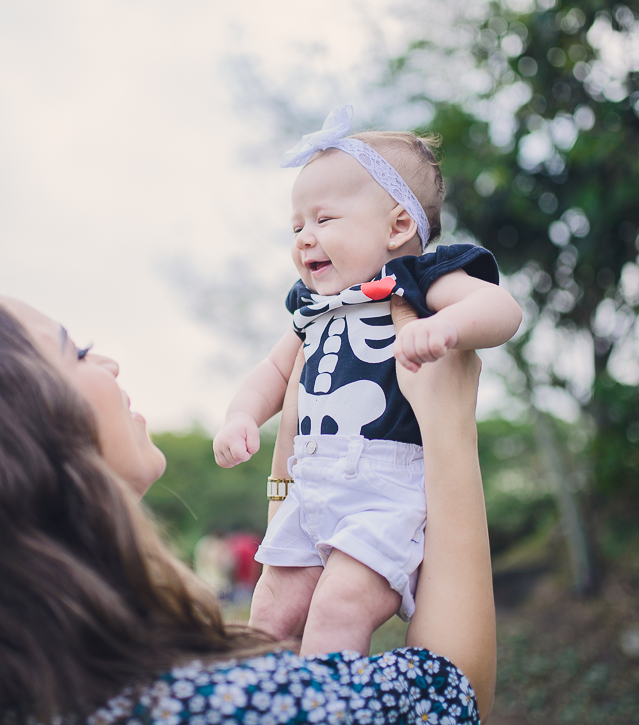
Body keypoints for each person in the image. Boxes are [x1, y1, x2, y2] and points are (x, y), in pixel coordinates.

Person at [0, 285, 497, 725]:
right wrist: (447, 429)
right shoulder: (209, 706)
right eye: (77, 352)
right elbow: (450, 689)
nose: (109, 364)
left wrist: (289, 486)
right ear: (13, 446)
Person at [213, 106, 521, 656]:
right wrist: (242, 415)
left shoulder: (416, 280)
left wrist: (447, 326)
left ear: (397, 227)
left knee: (340, 606)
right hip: (311, 484)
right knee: (270, 610)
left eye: (323, 220)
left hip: (383, 489)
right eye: (296, 227)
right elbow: (275, 370)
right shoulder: (312, 307)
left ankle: (330, 699)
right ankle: (268, 696)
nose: (304, 239)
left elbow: (502, 309)